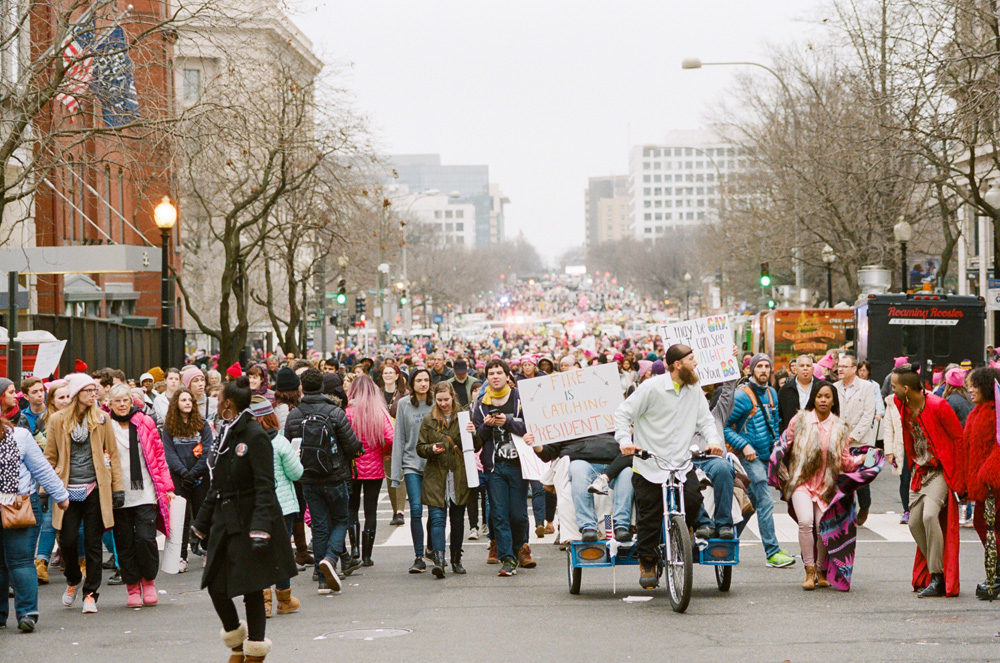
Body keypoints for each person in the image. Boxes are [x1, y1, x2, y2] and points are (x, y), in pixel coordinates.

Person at [191, 376, 297, 663]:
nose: (215, 401)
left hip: (251, 521)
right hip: (225, 519)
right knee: (215, 585)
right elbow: (216, 485)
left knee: (252, 589)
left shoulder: (254, 435)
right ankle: (237, 643)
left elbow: (265, 486)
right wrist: (199, 525)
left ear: (228, 402)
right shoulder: (224, 432)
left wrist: (261, 528)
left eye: (219, 397)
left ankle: (254, 652)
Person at [613, 344, 723, 588]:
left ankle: (683, 533)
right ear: (677, 364)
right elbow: (622, 414)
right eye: (691, 359)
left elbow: (706, 421)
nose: (696, 363)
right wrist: (625, 441)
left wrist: (713, 441)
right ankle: (648, 562)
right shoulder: (651, 387)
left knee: (693, 499)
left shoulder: (694, 390)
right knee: (649, 516)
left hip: (680, 463)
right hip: (650, 463)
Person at [769, 383, 876, 591]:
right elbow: (784, 445)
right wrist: (778, 464)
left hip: (826, 486)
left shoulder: (841, 427)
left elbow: (845, 461)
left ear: (833, 401)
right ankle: (809, 571)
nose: (823, 400)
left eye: (827, 396)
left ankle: (820, 570)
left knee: (823, 527)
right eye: (819, 396)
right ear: (814, 399)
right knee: (805, 522)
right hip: (801, 482)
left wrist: (864, 458)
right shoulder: (799, 420)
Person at [44, 373, 125, 614]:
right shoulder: (57, 420)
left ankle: (90, 593)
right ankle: (73, 580)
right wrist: (44, 488)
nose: (93, 394)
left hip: (94, 488)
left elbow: (113, 455)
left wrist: (118, 489)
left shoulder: (101, 418)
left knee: (93, 543)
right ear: (77, 393)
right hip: (66, 490)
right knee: (67, 541)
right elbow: (49, 457)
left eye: (94, 390)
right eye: (88, 391)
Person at [285, 368, 363, 593]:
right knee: (341, 519)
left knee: (319, 526)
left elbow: (289, 447)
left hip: (308, 478)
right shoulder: (334, 412)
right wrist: (358, 450)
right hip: (335, 475)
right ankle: (330, 558)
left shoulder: (294, 415)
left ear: (302, 387)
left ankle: (322, 580)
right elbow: (351, 444)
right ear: (321, 387)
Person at [891, 365, 965, 598]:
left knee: (930, 516)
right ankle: (938, 567)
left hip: (941, 469)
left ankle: (937, 576)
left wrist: (960, 479)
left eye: (894, 386)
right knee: (914, 523)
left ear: (905, 388)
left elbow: (959, 438)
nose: (892, 390)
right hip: (919, 471)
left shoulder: (938, 405)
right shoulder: (901, 403)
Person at [106, 383, 174, 607]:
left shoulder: (145, 421)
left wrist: (167, 487)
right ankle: (132, 586)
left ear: (131, 401)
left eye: (125, 400)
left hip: (145, 491)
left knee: (145, 538)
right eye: (117, 401)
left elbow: (159, 456)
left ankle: (149, 581)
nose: (122, 405)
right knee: (124, 542)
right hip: (119, 494)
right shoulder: (105, 425)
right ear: (110, 404)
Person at [725, 353, 796, 568]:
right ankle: (772, 552)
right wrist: (744, 446)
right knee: (765, 501)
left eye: (767, 366)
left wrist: (777, 451)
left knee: (753, 503)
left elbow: (774, 422)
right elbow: (724, 426)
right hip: (750, 458)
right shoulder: (741, 395)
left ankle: (728, 542)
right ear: (751, 370)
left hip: (766, 456)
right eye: (759, 366)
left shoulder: (772, 392)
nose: (764, 370)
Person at [0, 415, 69, 632]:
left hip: (19, 506)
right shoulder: (20, 436)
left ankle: (27, 614)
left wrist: (60, 495)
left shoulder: (20, 436)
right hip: (16, 503)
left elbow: (41, 469)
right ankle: (12, 615)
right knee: (13, 563)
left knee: (20, 561)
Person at [417, 382, 481, 577]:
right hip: (436, 475)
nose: (443, 403)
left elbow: (476, 446)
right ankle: (439, 559)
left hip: (458, 474)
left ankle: (456, 559)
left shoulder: (464, 416)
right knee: (437, 519)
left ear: (453, 396)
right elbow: (420, 447)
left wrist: (473, 431)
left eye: (446, 399)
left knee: (457, 520)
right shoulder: (429, 419)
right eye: (439, 400)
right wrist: (431, 449)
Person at [473, 359, 530, 577]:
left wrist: (507, 422)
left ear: (507, 376)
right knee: (498, 513)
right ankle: (507, 558)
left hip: (518, 465)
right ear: (486, 378)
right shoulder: (481, 403)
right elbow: (476, 440)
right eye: (491, 373)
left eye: (499, 373)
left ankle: (517, 549)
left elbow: (531, 427)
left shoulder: (520, 398)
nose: (495, 376)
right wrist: (487, 426)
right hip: (494, 467)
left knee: (518, 515)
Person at [248, 396, 302, 618]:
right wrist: (296, 457)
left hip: (255, 506)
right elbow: (296, 473)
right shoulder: (280, 443)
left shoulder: (245, 444)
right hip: (282, 506)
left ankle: (264, 602)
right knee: (281, 551)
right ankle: (284, 599)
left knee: (260, 552)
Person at [160, 387, 214, 573]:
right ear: (176, 404)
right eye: (183, 400)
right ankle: (181, 556)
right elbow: (169, 453)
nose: (188, 403)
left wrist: (195, 472)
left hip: (200, 476)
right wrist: (184, 473)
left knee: (203, 514)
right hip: (179, 477)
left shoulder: (203, 424)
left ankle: (206, 550)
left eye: (190, 400)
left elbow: (207, 451)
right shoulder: (169, 427)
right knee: (180, 518)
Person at [958, 367, 1000, 599]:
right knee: (984, 525)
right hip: (983, 483)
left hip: (993, 484)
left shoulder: (995, 412)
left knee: (989, 526)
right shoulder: (977, 412)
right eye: (969, 385)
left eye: (974, 385)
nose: (970, 389)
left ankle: (996, 575)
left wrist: (989, 474)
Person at [345, 374, 394, 568]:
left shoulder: (347, 412)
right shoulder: (379, 412)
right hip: (374, 467)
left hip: (352, 466)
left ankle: (354, 548)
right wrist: (384, 452)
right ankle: (367, 556)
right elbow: (390, 437)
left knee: (352, 508)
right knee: (370, 510)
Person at [390, 368, 435, 573]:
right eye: (419, 380)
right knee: (416, 509)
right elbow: (399, 437)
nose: (423, 384)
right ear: (412, 384)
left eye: (426, 380)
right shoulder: (403, 404)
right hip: (411, 464)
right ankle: (418, 556)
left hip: (434, 464)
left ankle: (431, 548)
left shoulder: (436, 403)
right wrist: (395, 474)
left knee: (435, 511)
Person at [33, 379, 70, 585]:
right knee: (48, 523)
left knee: (78, 525)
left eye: (68, 397)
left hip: (75, 478)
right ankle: (41, 564)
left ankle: (80, 562)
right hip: (50, 477)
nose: (65, 401)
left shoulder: (78, 418)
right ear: (52, 400)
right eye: (61, 397)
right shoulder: (42, 421)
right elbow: (42, 454)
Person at [833, 353, 876, 527]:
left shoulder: (867, 387)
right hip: (840, 442)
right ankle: (846, 513)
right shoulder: (834, 387)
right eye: (839, 366)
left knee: (862, 479)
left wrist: (852, 436)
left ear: (854, 369)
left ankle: (865, 506)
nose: (840, 369)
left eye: (844, 366)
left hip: (863, 442)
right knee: (843, 479)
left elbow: (868, 415)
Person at [377, 363, 408, 526]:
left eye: (391, 373)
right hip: (384, 440)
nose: (388, 375)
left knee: (400, 474)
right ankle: (395, 510)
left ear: (397, 376)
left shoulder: (405, 394)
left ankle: (401, 511)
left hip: (402, 438)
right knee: (390, 476)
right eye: (385, 373)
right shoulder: (377, 394)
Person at [777, 354, 823, 434]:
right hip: (792, 435)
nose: (805, 368)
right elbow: (779, 415)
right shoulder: (785, 390)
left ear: (812, 369)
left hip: (817, 434)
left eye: (808, 366)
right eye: (802, 366)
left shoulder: (822, 387)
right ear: (796, 369)